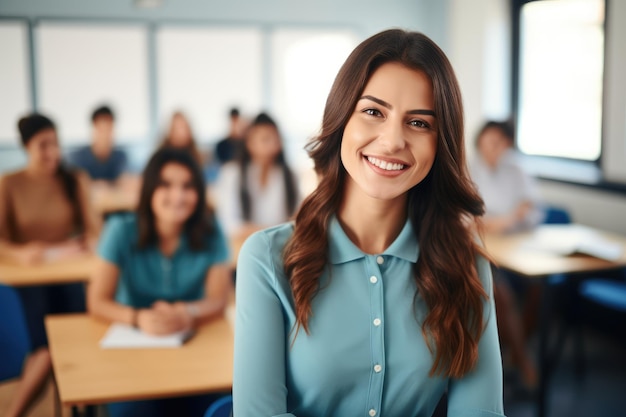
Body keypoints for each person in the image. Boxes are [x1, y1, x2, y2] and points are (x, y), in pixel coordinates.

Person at [233, 29, 505, 417]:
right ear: (342, 117)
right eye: (374, 111)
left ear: (440, 142)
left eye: (420, 123)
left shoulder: (466, 267)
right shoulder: (267, 259)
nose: (393, 141)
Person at [87, 147, 232, 417]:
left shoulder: (211, 231)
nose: (177, 196)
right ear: (149, 189)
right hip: (131, 354)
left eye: (188, 186)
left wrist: (187, 313)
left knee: (217, 405)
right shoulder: (120, 229)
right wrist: (138, 318)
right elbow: (97, 301)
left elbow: (218, 299)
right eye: (165, 185)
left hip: (193, 352)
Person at [0, 113, 100, 417]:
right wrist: (21, 253)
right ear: (26, 147)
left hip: (71, 273)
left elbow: (95, 231)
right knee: (47, 348)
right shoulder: (9, 184)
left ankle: (84, 404)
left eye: (56, 144)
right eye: (43, 146)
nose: (52, 153)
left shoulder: (74, 179)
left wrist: (88, 244)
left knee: (80, 339)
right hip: (30, 279)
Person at [470, 120, 544, 390]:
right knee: (501, 292)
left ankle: (514, 350)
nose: (493, 148)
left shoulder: (516, 170)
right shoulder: (467, 169)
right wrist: (510, 217)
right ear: (479, 143)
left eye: (500, 143)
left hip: (517, 248)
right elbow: (468, 220)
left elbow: (534, 212)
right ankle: (523, 361)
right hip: (482, 250)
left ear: (508, 144)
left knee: (540, 287)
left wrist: (503, 221)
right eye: (488, 142)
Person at [214, 112, 299, 241]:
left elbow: (298, 219)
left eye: (276, 139)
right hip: (243, 246)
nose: (272, 145)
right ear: (249, 143)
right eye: (265, 139)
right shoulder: (232, 173)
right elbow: (229, 225)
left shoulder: (289, 175)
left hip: (281, 247)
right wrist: (270, 231)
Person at [69, 105, 128, 184]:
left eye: (109, 129)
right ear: (94, 129)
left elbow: (126, 183)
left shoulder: (120, 157)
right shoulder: (78, 158)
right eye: (102, 130)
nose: (105, 135)